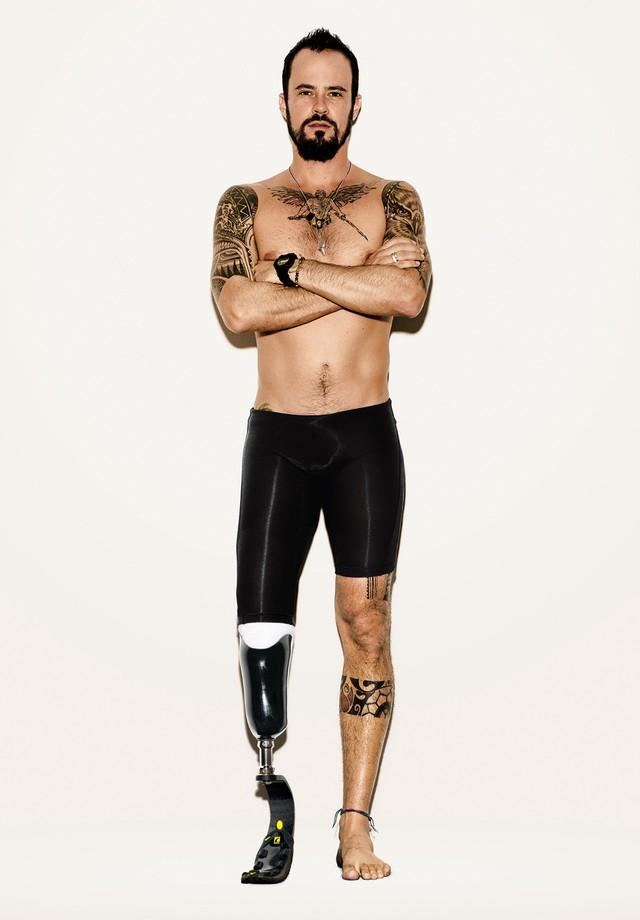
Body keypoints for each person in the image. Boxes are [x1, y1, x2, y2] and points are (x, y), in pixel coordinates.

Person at [210, 28, 432, 882]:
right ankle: (275, 798)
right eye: (305, 91)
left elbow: (407, 294)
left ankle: (355, 825)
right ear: (283, 103)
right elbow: (238, 311)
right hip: (279, 438)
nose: (320, 106)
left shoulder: (393, 198)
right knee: (262, 634)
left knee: (366, 625)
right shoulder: (243, 204)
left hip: (365, 438)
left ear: (356, 105)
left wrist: (291, 273)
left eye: (335, 92)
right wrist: (352, 276)